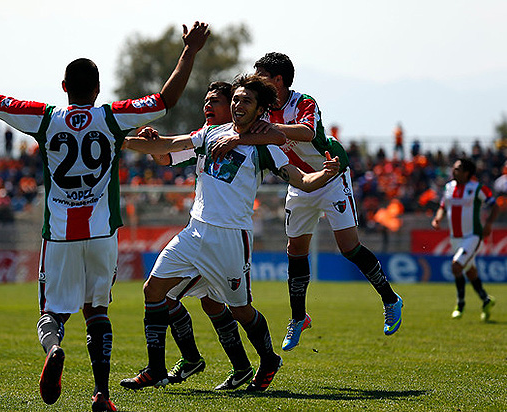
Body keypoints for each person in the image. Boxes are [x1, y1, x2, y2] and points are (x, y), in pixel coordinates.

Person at [0, 22, 210, 411]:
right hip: (102, 232)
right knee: (97, 310)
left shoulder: (46, 118)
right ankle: (102, 394)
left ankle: (54, 349)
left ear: (64, 87)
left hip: (60, 232)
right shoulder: (112, 116)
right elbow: (166, 99)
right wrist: (190, 51)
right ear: (97, 89)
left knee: (52, 313)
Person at [119, 74, 341, 392]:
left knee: (240, 310)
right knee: (152, 291)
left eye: (245, 100)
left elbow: (302, 181)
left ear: (261, 109)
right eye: (235, 99)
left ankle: (268, 359)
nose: (237, 104)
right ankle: (156, 369)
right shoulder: (210, 133)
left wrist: (323, 174)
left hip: (230, 239)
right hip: (194, 231)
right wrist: (121, 140)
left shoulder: (266, 146)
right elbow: (169, 147)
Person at [233, 52, 402, 351]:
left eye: (260, 77)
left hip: (331, 174)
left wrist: (272, 131)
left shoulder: (303, 103)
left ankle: (390, 299)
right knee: (295, 251)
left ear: (278, 80)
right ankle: (299, 318)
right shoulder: (262, 110)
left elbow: (307, 132)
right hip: (299, 182)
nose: (256, 83)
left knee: (349, 247)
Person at [151, 81, 256, 390]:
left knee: (233, 307)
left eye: (216, 101)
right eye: (206, 101)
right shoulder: (204, 136)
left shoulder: (249, 140)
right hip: (199, 234)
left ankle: (260, 361)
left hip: (226, 237)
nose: (207, 106)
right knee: (179, 297)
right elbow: (166, 158)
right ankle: (207, 361)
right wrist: (155, 144)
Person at [431, 158, 498, 321]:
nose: (453, 171)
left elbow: (495, 205)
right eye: (454, 168)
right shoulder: (449, 187)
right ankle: (486, 300)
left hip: (473, 236)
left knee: (456, 266)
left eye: (457, 168)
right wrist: (437, 219)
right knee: (470, 271)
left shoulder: (477, 188)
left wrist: (488, 224)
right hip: (455, 238)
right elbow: (442, 206)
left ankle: (460, 305)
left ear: (467, 172)